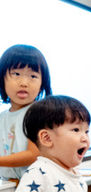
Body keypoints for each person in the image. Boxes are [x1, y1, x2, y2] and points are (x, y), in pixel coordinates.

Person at [0, 44, 52, 180]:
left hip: (36, 189)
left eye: (33, 76)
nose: (24, 82)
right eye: (16, 74)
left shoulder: (38, 113)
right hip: (10, 186)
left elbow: (34, 154)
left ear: (42, 83)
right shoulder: (2, 117)